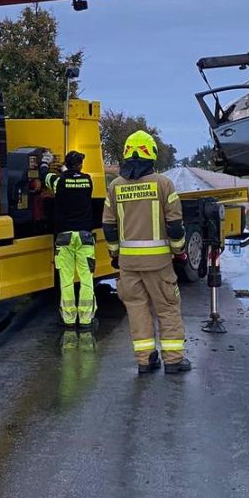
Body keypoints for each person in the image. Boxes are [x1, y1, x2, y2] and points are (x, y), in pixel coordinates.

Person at [102, 130, 191, 375]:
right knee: (167, 308)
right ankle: (173, 360)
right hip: (159, 263)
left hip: (128, 264)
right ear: (150, 154)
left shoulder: (115, 186)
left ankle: (145, 360)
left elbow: (109, 226)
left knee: (137, 310)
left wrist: (115, 254)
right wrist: (178, 251)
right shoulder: (163, 184)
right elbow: (175, 224)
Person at [40, 150, 97, 328]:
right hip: (85, 237)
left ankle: (69, 320)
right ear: (80, 165)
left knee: (66, 279)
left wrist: (45, 163)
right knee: (86, 278)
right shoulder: (87, 180)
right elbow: (76, 181)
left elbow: (45, 176)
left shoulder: (59, 182)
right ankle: (87, 320)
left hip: (64, 237)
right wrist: (66, 170)